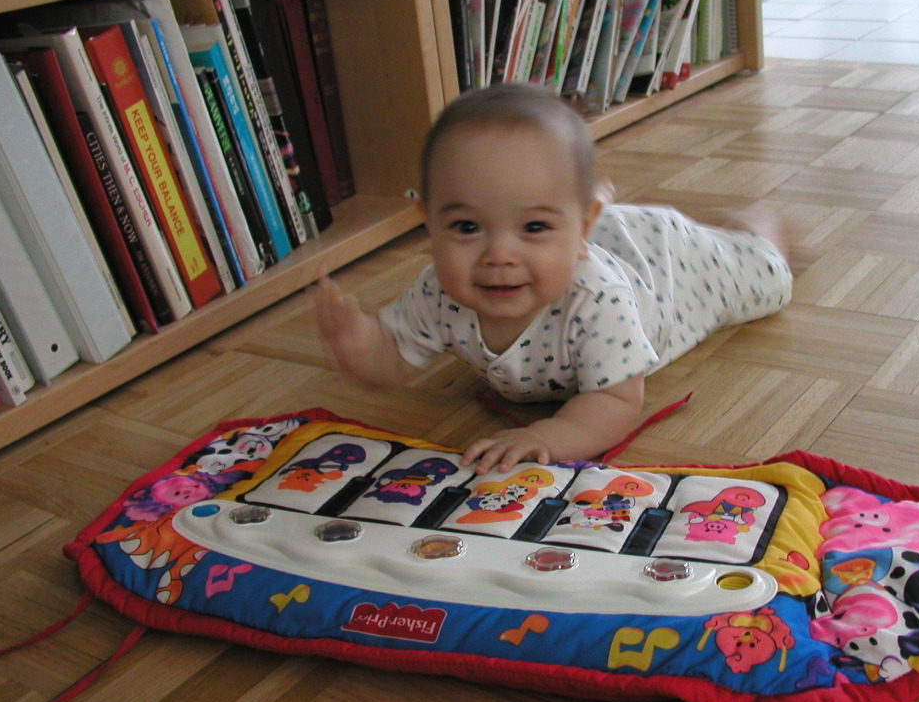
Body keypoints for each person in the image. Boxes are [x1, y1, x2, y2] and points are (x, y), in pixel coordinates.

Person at [313, 83, 791, 474]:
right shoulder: (438, 290)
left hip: (663, 272)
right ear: (429, 222)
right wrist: (361, 348)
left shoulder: (598, 299)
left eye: (532, 227)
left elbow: (614, 399)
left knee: (767, 280)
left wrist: (544, 436)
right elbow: (396, 358)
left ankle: (758, 228)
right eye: (466, 227)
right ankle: (578, 215)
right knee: (556, 216)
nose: (499, 255)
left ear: (580, 227)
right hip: (583, 235)